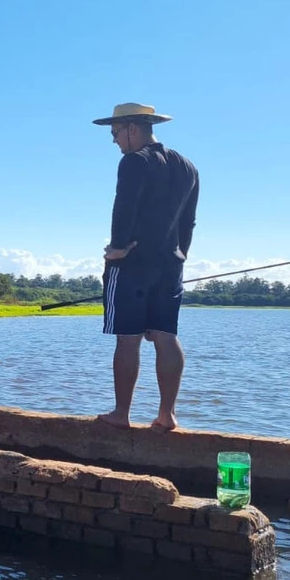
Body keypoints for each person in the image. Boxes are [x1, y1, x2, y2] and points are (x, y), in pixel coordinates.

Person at [91, 103, 200, 432]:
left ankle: (121, 414)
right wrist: (180, 254)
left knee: (128, 339)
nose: (114, 140)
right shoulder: (187, 167)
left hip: (132, 264)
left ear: (132, 128)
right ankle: (167, 415)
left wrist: (117, 248)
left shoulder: (134, 161)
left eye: (115, 133)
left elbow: (124, 206)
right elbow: (189, 221)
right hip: (171, 264)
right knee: (166, 336)